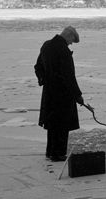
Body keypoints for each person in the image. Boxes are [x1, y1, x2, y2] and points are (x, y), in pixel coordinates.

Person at [34, 26, 84, 161]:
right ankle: (58, 154)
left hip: (49, 93)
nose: (71, 43)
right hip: (63, 94)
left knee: (52, 123)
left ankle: (50, 151)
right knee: (62, 124)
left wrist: (44, 80)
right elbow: (69, 76)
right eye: (72, 41)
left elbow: (38, 67)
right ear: (69, 35)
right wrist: (78, 95)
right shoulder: (64, 50)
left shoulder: (46, 45)